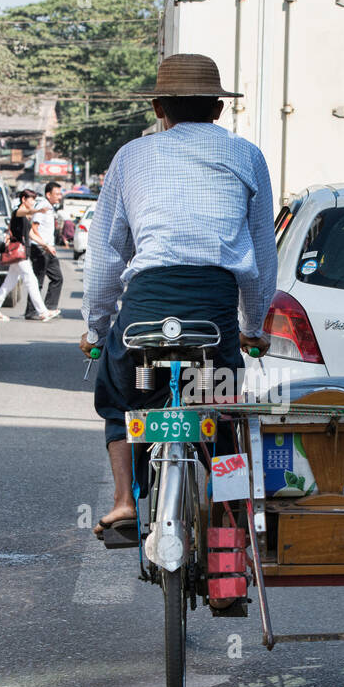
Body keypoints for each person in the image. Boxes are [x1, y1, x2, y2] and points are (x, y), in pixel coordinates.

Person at [80, 53, 276, 544]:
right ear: (218, 109)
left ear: (158, 108)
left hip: (146, 304)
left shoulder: (130, 156)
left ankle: (125, 502)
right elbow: (259, 259)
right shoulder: (248, 156)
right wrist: (255, 326)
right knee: (224, 406)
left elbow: (106, 256)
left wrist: (95, 329)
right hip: (213, 307)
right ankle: (228, 522)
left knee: (120, 398)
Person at [0, 190, 58, 323]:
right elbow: (21, 212)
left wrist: (46, 245)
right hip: (18, 252)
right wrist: (37, 211)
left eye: (35, 200)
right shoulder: (18, 213)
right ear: (23, 199)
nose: (33, 203)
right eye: (31, 200)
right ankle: (43, 311)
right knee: (31, 281)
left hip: (21, 253)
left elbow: (31, 234)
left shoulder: (25, 218)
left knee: (9, 283)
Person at [27, 181, 64, 319]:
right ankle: (31, 312)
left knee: (57, 278)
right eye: (57, 194)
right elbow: (34, 227)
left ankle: (49, 307)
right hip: (40, 249)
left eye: (60, 194)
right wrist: (43, 244)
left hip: (49, 249)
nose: (59, 197)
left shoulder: (50, 207)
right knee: (38, 281)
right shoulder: (43, 206)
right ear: (48, 194)